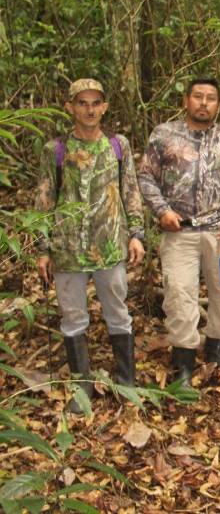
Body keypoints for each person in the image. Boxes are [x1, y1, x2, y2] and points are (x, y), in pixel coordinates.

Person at [35, 78, 145, 413]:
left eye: (96, 102)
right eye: (82, 103)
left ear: (105, 107)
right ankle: (82, 392)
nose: (89, 109)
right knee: (73, 317)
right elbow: (44, 199)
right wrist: (43, 248)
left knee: (117, 312)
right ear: (69, 107)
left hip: (110, 245)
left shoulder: (117, 145)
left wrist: (137, 233)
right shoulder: (55, 150)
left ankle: (126, 384)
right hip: (67, 249)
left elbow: (130, 190)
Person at [138, 78, 220, 387]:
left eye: (210, 98)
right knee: (178, 294)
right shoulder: (164, 135)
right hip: (180, 233)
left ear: (219, 104)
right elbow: (146, 177)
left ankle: (217, 352)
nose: (203, 103)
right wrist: (162, 210)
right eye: (198, 97)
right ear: (186, 100)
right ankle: (185, 363)